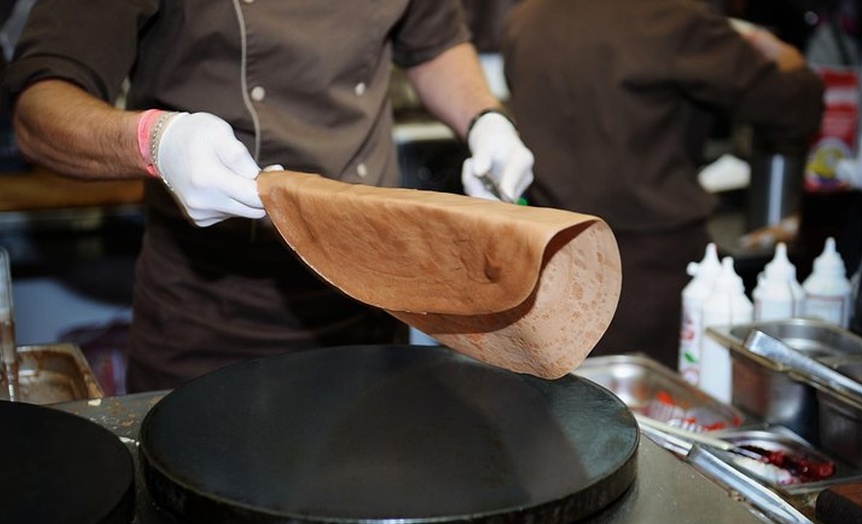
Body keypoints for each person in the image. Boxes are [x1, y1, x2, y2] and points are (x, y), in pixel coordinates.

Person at [1, 0, 534, 392]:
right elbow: (41, 106)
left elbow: (433, 39)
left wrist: (484, 118)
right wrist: (156, 141)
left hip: (373, 300)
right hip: (215, 319)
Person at [501, 0, 824, 369]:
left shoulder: (526, 17)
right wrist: (791, 62)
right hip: (651, 274)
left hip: (549, 264)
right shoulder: (672, 18)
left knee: (562, 409)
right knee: (651, 413)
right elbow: (792, 109)